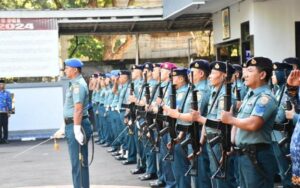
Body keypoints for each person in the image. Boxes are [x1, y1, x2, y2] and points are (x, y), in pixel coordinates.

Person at [220, 57, 278, 188]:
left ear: (262, 75)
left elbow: (253, 124)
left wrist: (230, 119)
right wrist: (231, 142)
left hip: (257, 155)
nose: (244, 74)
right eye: (245, 70)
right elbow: (240, 121)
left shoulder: (265, 98)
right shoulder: (249, 96)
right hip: (243, 154)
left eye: (250, 71)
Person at [54, 58, 93, 188]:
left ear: (75, 70)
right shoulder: (74, 83)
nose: (65, 70)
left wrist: (76, 129)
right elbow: (71, 109)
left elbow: (78, 109)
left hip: (79, 125)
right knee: (77, 163)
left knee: (79, 163)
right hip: (74, 124)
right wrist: (64, 126)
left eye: (67, 68)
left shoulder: (78, 85)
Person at [285, 69, 300, 186]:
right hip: (297, 158)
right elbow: (297, 105)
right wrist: (292, 88)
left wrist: (295, 117)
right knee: (296, 184)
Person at [0, 79, 12, 144]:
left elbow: (9, 103)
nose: (1, 85)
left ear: (4, 85)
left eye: (2, 84)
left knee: (5, 127)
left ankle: (5, 139)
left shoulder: (7, 93)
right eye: (0, 84)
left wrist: (9, 112)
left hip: (5, 112)